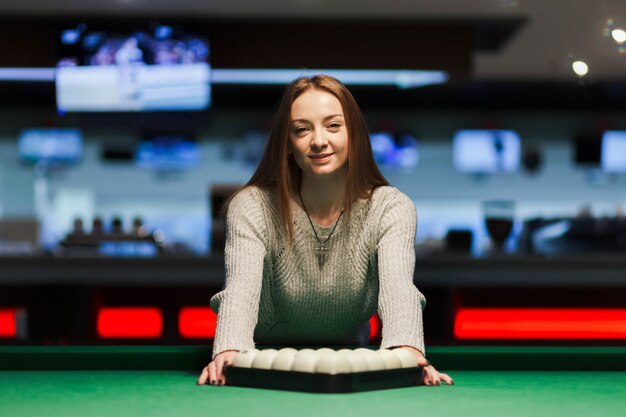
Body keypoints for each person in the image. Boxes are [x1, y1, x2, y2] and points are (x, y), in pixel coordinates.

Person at [197, 74, 453, 387]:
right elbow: (240, 290)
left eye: (333, 125)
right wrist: (229, 350)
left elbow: (399, 291)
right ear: (288, 144)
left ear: (354, 135)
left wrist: (407, 354)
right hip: (262, 366)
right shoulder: (251, 205)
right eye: (302, 129)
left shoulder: (391, 207)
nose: (318, 140)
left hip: (352, 365)